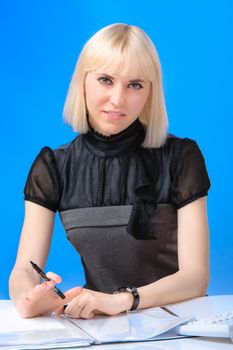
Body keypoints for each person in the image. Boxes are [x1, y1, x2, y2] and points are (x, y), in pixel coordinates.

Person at [9, 23, 210, 319]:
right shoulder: (53, 165)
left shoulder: (181, 157)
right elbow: (24, 271)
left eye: (135, 85)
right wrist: (27, 298)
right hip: (100, 328)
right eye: (105, 80)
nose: (118, 100)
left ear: (150, 93)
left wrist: (122, 300)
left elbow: (196, 278)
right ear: (83, 82)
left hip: (177, 325)